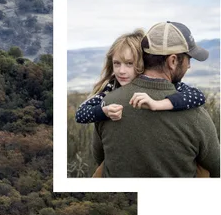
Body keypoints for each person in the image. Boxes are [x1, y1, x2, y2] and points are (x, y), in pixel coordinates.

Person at [92, 21, 220, 177]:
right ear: (173, 61)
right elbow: (216, 167)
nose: (189, 66)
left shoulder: (107, 103)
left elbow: (99, 157)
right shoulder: (195, 114)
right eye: (188, 59)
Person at [75, 29, 205, 125]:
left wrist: (159, 104)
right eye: (117, 63)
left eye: (129, 64)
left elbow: (198, 96)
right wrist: (104, 111)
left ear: (142, 62)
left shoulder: (168, 85)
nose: (121, 71)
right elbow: (80, 113)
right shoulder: (111, 87)